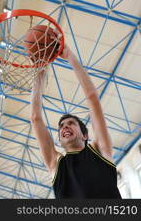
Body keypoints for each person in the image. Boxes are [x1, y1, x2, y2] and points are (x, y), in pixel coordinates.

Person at [30, 44, 121, 199]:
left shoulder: (99, 150)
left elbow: (92, 97)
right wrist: (39, 72)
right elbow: (35, 118)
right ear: (59, 140)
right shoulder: (56, 163)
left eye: (71, 123)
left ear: (85, 135)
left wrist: (70, 56)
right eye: (61, 126)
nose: (65, 126)